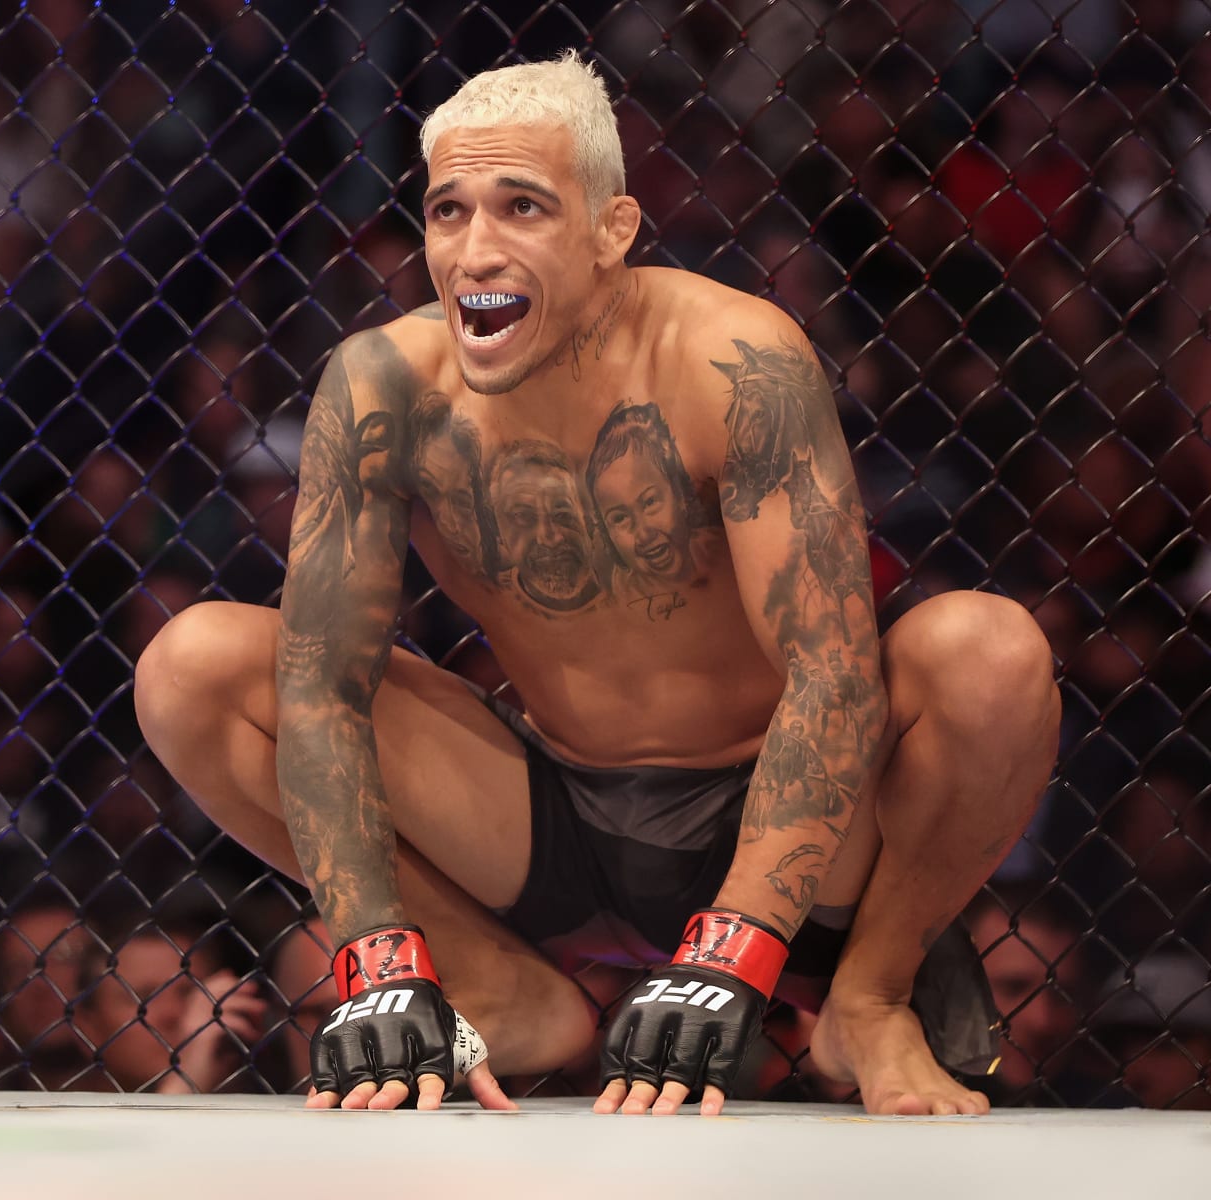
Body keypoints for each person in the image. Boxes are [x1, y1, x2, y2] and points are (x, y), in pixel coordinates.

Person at [135, 50, 1062, 1117]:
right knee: (193, 667)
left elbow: (834, 676)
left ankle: (873, 994)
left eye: (521, 207)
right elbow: (320, 694)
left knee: (989, 651)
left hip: (780, 808)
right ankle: (488, 982)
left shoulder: (734, 359)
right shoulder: (384, 385)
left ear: (611, 230)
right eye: (448, 211)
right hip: (551, 818)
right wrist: (371, 954)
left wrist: (740, 941)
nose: (474, 250)